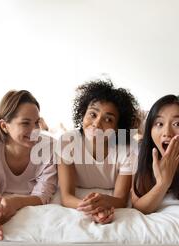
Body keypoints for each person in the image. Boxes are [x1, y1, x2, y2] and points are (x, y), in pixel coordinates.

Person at [57, 79, 140, 224]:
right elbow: (66, 196)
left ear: (116, 127)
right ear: (83, 114)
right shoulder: (67, 142)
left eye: (108, 119)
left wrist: (104, 203)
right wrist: (94, 209)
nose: (96, 123)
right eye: (93, 114)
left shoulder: (127, 150)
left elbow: (120, 199)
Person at [0, 90, 57, 240]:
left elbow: (43, 194)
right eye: (25, 123)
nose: (35, 130)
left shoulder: (50, 149)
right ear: (4, 126)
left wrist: (16, 202)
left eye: (36, 123)